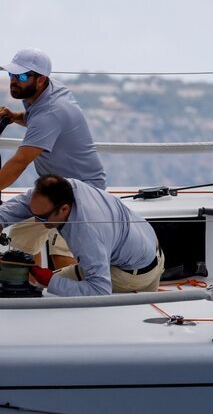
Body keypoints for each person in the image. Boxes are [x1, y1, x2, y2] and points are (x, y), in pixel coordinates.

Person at [0, 48, 106, 267]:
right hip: (53, 188)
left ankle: (79, 293)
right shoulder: (43, 93)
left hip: (81, 193)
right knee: (19, 241)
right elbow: (35, 119)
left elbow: (20, 161)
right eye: (11, 75)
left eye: (20, 76)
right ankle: (35, 286)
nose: (13, 81)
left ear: (40, 79)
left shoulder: (51, 111)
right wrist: (14, 117)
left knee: (60, 255)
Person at [0, 174, 163, 296]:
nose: (37, 220)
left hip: (131, 274)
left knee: (47, 293)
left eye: (42, 217)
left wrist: (50, 281)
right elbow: (22, 205)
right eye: (34, 213)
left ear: (63, 209)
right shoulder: (67, 187)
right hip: (153, 251)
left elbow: (100, 290)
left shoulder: (87, 234)